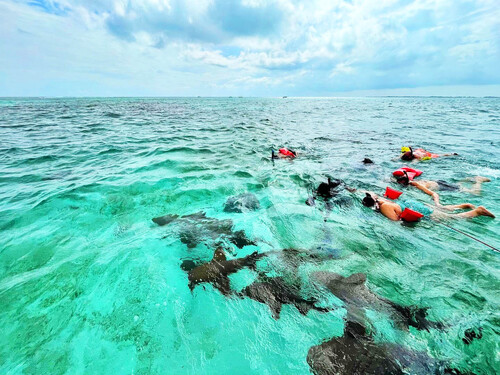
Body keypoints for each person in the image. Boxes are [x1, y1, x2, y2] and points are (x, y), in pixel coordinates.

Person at [361, 192, 494, 221]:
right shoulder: (382, 201)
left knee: (451, 218)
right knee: (441, 210)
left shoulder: (384, 207)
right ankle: (463, 205)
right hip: (412, 204)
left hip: (415, 210)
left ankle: (477, 211)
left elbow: (395, 221)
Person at [396, 174, 491, 199]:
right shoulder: (413, 181)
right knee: (459, 185)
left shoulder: (416, 184)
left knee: (473, 193)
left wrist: (436, 201)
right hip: (437, 182)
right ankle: (470, 179)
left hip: (440, 187)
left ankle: (478, 181)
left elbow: (430, 193)